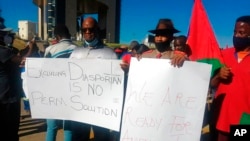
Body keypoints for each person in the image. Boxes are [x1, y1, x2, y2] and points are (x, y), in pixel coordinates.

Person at [70, 17, 117, 141]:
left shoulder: (110, 53)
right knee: (78, 138)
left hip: (100, 108)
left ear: (97, 30)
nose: (87, 32)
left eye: (90, 29)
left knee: (101, 138)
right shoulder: (75, 52)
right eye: (84, 29)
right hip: (79, 107)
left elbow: (115, 82)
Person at [210, 15, 250, 141]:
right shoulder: (222, 55)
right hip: (220, 120)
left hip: (244, 121)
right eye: (235, 32)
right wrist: (218, 75)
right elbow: (211, 84)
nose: (236, 36)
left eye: (241, 33)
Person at [0, 17, 32, 141]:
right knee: (11, 132)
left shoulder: (6, 51)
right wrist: (30, 48)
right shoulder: (3, 51)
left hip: (5, 96)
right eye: (5, 34)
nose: (8, 36)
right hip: (8, 98)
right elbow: (22, 61)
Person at [44, 24, 77, 141]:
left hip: (52, 94)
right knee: (68, 127)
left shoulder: (50, 50)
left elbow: (43, 73)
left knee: (51, 127)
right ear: (68, 35)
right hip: (71, 94)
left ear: (57, 37)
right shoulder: (78, 50)